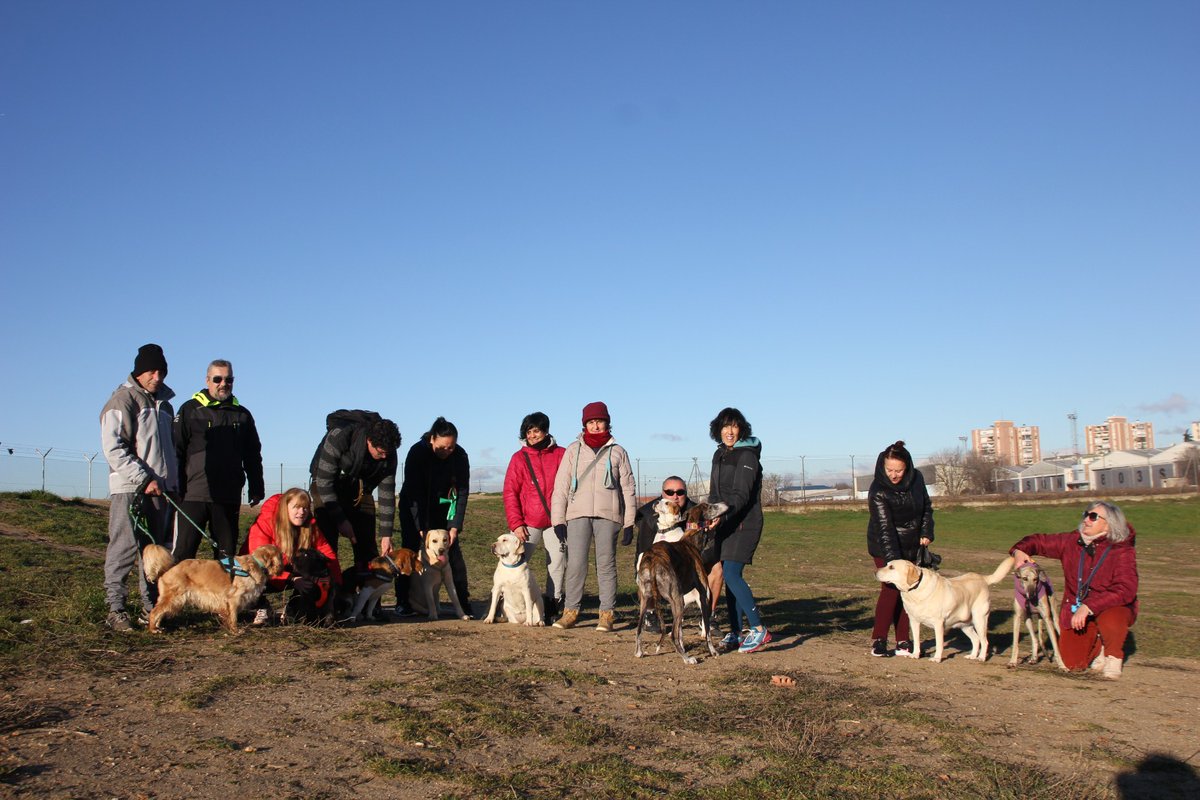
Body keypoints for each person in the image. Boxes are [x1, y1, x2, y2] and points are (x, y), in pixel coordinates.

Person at [1008, 501, 1138, 679]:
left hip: (1112, 605)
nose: (1086, 520)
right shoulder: (1072, 541)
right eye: (1086, 514)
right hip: (1077, 608)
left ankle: (1113, 655)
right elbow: (1039, 541)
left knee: (1112, 619)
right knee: (1072, 663)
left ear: (1109, 524)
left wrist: (1089, 607)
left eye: (1093, 517)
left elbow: (1126, 589)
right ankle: (1099, 644)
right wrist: (1019, 550)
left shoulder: (1122, 548)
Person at [99, 343, 178, 632]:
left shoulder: (165, 405)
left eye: (162, 372)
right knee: (123, 547)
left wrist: (172, 483)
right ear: (139, 371)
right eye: (151, 371)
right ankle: (115, 609)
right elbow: (114, 448)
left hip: (161, 491)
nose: (157, 377)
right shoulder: (122, 400)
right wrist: (143, 478)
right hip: (130, 488)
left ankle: (151, 608)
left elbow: (170, 450)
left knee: (155, 552)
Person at [550, 401, 636, 632]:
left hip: (608, 515)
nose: (595, 426)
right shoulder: (573, 450)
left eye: (600, 421)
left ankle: (607, 614)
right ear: (584, 424)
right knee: (575, 564)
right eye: (591, 422)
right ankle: (570, 612)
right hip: (577, 514)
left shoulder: (618, 451)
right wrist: (558, 520)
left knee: (606, 565)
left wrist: (629, 522)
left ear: (607, 423)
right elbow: (561, 486)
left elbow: (628, 488)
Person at [172, 359, 265, 562]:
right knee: (183, 555)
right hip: (193, 494)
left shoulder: (243, 415)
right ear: (207, 380)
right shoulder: (189, 409)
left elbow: (252, 454)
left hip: (228, 496)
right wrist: (176, 486)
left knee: (226, 557)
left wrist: (256, 487)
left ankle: (223, 584)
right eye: (217, 379)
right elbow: (176, 450)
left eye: (228, 380)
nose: (223, 384)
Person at [391, 417, 471, 616]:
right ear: (432, 439)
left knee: (453, 553)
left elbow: (461, 493)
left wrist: (454, 526)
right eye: (442, 447)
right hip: (414, 507)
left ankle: (463, 601)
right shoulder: (417, 453)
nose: (447, 451)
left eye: (451, 447)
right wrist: (421, 527)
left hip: (443, 509)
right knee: (410, 551)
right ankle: (403, 600)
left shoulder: (460, 456)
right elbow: (415, 492)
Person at [707, 407, 770, 653]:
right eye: (725, 426)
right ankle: (735, 632)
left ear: (742, 429)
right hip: (724, 523)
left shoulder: (748, 456)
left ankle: (758, 629)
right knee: (728, 576)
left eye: (734, 426)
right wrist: (710, 515)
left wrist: (721, 515)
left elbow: (741, 496)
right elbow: (715, 492)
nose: (729, 432)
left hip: (744, 523)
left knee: (732, 573)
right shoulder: (719, 454)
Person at [308, 410, 401, 577]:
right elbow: (324, 482)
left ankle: (367, 585)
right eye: (380, 452)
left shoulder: (389, 453)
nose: (384, 457)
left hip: (359, 487)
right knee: (327, 539)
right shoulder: (340, 436)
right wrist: (341, 520)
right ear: (369, 441)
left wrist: (386, 535)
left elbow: (387, 493)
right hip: (325, 484)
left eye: (387, 453)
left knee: (366, 542)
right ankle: (326, 583)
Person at [865, 440, 934, 658]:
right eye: (890, 470)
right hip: (884, 545)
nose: (894, 475)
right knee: (891, 589)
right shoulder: (878, 490)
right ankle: (879, 639)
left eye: (899, 470)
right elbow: (885, 529)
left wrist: (926, 532)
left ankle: (903, 640)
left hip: (913, 545)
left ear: (907, 467)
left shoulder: (917, 479)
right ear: (882, 467)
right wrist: (894, 564)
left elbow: (926, 507)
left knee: (909, 589)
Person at [244, 488, 342, 625]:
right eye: (296, 507)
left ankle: (295, 606)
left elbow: (326, 552)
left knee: (313, 564)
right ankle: (260, 605)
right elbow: (258, 563)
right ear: (285, 508)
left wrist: (336, 583)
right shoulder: (266, 522)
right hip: (263, 572)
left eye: (305, 508)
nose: (302, 512)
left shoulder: (310, 525)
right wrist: (291, 578)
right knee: (251, 575)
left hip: (290, 570)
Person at [502, 412, 567, 619]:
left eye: (536, 431)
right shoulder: (518, 458)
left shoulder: (562, 454)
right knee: (514, 562)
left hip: (556, 520)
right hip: (527, 522)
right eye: (528, 432)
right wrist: (516, 523)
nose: (532, 435)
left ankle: (552, 604)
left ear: (546, 431)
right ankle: (504, 603)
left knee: (557, 564)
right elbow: (510, 492)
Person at [631, 475, 696, 634]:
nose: (675, 496)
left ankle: (708, 617)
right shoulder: (648, 513)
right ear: (662, 494)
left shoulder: (694, 510)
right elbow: (642, 549)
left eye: (680, 492)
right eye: (670, 492)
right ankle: (650, 613)